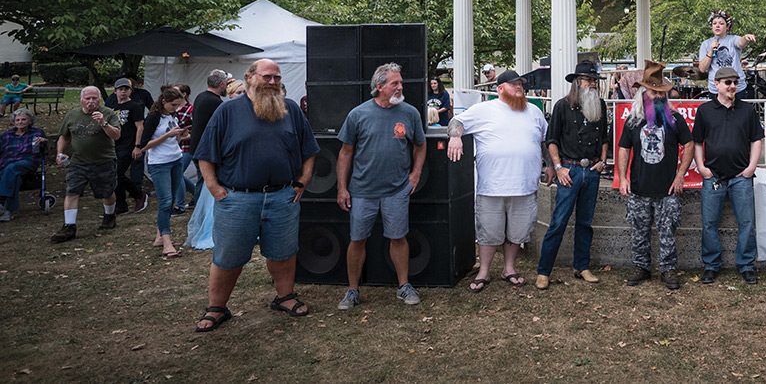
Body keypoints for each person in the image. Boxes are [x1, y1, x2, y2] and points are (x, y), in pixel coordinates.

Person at [192, 59, 319, 333]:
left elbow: (310, 149)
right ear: (249, 78)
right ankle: (216, 307)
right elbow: (204, 153)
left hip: (282, 198)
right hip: (238, 199)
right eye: (267, 77)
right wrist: (215, 189)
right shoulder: (227, 112)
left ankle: (285, 296)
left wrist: (303, 180)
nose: (273, 82)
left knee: (284, 253)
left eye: (277, 77)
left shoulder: (291, 110)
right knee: (228, 257)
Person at [447, 69, 550, 293]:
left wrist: (550, 165)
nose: (519, 87)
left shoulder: (533, 111)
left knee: (517, 231)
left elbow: (544, 140)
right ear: (500, 88)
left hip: (524, 184)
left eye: (521, 84)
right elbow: (456, 121)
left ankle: (509, 269)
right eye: (514, 84)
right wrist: (455, 136)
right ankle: (484, 271)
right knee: (488, 231)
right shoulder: (484, 109)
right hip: (492, 185)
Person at [335, 63, 427, 309]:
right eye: (394, 83)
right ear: (379, 87)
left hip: (397, 190)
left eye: (400, 82)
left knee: (399, 237)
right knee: (358, 239)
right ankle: (353, 290)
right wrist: (342, 188)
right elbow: (345, 153)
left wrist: (415, 174)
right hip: (362, 190)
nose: (400, 87)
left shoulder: (410, 113)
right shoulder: (358, 114)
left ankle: (403, 286)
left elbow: (420, 145)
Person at [617, 61, 694, 289]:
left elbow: (689, 145)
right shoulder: (633, 120)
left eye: (662, 92)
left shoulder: (674, 119)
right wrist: (622, 178)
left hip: (667, 190)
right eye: (653, 92)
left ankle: (668, 270)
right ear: (643, 93)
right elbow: (623, 148)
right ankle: (641, 267)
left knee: (667, 231)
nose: (658, 96)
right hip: (639, 188)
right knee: (639, 231)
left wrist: (681, 174)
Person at [536, 62, 609, 290]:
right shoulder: (562, 106)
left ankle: (582, 266)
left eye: (595, 80)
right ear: (578, 82)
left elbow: (604, 138)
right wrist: (558, 167)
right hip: (569, 170)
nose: (593, 84)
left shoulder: (601, 105)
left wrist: (602, 162)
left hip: (592, 170)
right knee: (558, 222)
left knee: (585, 223)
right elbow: (552, 140)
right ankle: (543, 271)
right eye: (588, 80)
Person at [693, 67, 764, 285]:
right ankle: (711, 266)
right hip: (712, 176)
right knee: (709, 224)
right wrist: (701, 167)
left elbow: (756, 139)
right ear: (717, 85)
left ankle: (746, 265)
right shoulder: (705, 110)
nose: (732, 86)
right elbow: (697, 142)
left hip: (741, 176)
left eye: (735, 82)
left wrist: (752, 166)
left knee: (747, 223)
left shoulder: (747, 110)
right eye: (727, 82)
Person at [51, 87, 122, 242]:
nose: (91, 102)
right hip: (78, 162)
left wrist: (103, 123)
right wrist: (59, 153)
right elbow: (64, 137)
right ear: (81, 99)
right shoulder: (72, 115)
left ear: (99, 99)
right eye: (88, 98)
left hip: (104, 160)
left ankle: (109, 216)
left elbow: (116, 135)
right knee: (72, 191)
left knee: (107, 192)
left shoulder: (108, 113)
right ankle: (69, 226)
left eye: (94, 98)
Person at [138, 86, 190, 258]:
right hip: (159, 163)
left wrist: (181, 135)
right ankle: (167, 244)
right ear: (164, 102)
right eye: (173, 105)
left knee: (172, 199)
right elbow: (144, 145)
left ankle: (160, 237)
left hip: (176, 159)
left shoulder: (171, 115)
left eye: (178, 106)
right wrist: (167, 136)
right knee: (165, 202)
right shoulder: (153, 117)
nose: (176, 109)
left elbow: (174, 138)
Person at [184, 70, 230, 249]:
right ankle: (202, 219)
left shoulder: (201, 97)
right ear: (221, 85)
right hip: (206, 152)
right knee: (205, 186)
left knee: (201, 185)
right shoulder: (214, 102)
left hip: (197, 148)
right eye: (225, 84)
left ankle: (200, 216)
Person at [108, 78, 148, 216]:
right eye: (120, 89)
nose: (123, 91)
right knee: (114, 175)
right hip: (114, 145)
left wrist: (137, 146)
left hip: (128, 144)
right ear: (115, 91)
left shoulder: (134, 106)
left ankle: (138, 194)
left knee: (117, 173)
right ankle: (121, 205)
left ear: (131, 91)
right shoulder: (111, 107)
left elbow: (140, 127)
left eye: (126, 89)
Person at [0, 108, 47, 221]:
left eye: (23, 119)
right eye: (17, 120)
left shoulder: (37, 132)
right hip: (6, 163)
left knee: (12, 168)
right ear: (14, 122)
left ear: (30, 121)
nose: (20, 122)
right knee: (15, 177)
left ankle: (1, 199)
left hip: (28, 161)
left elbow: (44, 149)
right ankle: (9, 211)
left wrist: (43, 141)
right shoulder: (6, 135)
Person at [697, 10, 756, 96]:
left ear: (727, 26)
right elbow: (702, 68)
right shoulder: (706, 44)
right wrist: (711, 50)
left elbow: (740, 43)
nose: (717, 26)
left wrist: (746, 38)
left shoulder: (733, 39)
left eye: (721, 23)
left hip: (736, 88)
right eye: (714, 23)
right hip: (716, 89)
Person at [173, 83, 194, 212]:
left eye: (176, 92)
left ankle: (180, 206)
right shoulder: (172, 109)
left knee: (178, 174)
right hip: (174, 148)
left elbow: (195, 132)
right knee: (177, 174)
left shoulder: (191, 110)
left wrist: (181, 137)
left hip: (186, 147)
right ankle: (197, 195)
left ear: (184, 94)